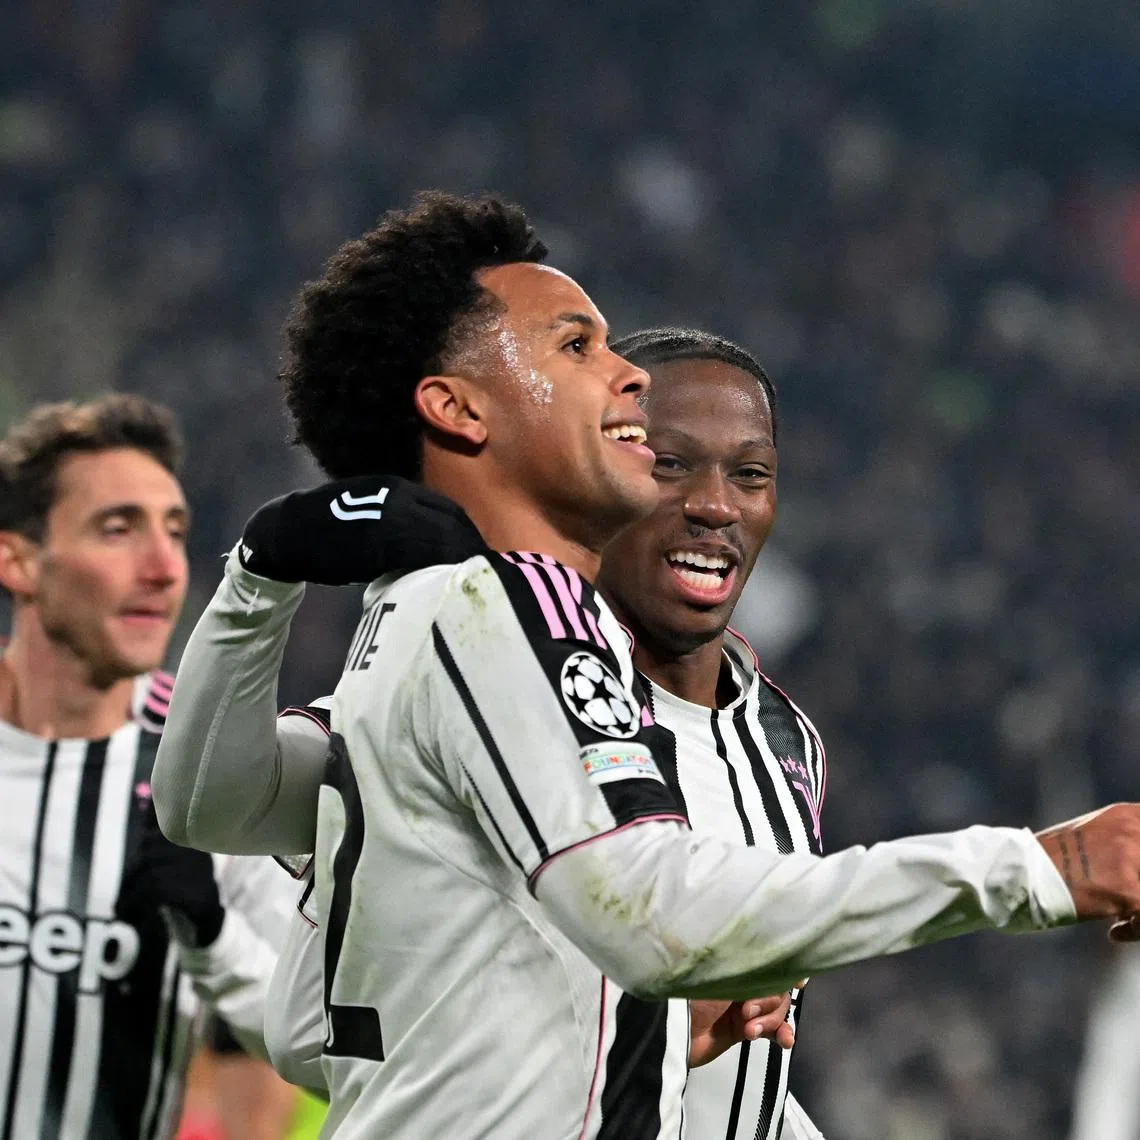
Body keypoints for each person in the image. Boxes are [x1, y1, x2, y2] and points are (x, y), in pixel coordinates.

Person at [152, 191, 1140, 1140]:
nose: (624, 374)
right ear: (458, 407)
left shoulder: (769, 732)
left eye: (752, 473)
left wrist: (646, 1036)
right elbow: (650, 915)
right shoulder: (496, 604)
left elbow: (238, 856)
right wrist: (1034, 865)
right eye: (577, 346)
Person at [0, 395, 295, 1140]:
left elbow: (317, 1043)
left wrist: (211, 932)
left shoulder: (211, 769)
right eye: (117, 529)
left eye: (175, 532)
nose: (166, 569)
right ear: (18, 560)